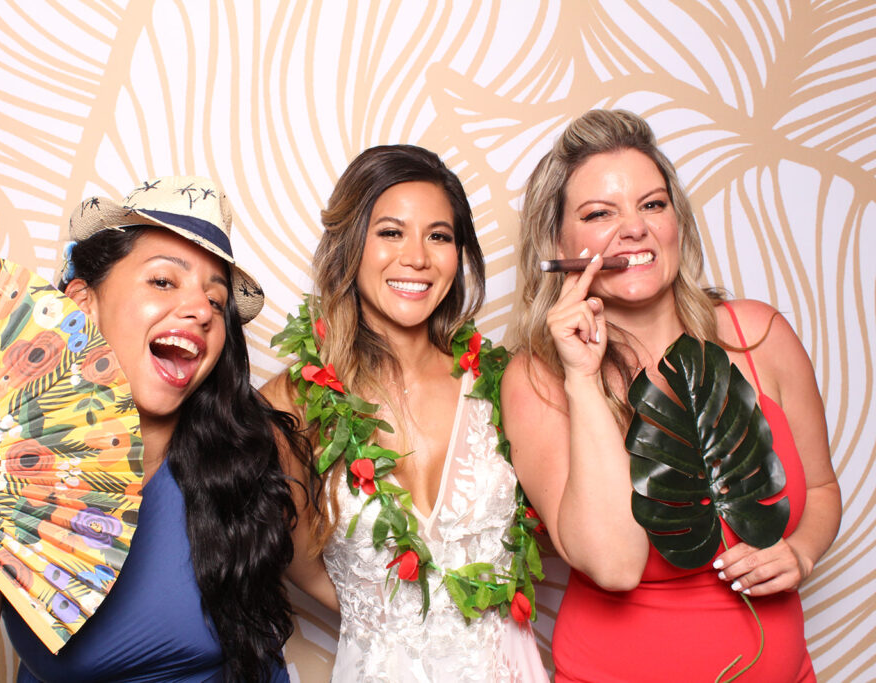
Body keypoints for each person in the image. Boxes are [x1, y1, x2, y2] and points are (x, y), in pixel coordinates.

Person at [0, 176, 311, 682]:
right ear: (82, 303)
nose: (200, 311)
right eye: (164, 281)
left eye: (215, 300)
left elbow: (326, 578)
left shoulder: (248, 451)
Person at [502, 109, 841, 682]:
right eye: (600, 213)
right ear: (558, 242)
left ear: (676, 221)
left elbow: (824, 488)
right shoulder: (538, 377)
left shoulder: (760, 334)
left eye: (652, 205)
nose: (634, 228)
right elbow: (613, 566)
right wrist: (582, 377)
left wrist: (801, 551)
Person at [263, 145, 549, 682]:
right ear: (351, 245)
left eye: (438, 236)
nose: (417, 257)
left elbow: (565, 521)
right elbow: (297, 556)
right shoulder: (292, 401)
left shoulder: (506, 382)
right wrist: (382, 620)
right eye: (391, 232)